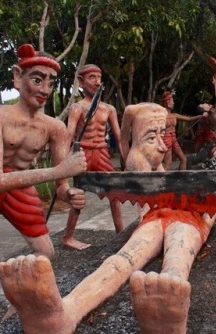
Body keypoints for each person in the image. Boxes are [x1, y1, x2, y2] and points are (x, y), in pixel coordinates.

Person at [0, 102, 216, 334]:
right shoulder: (143, 162)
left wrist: (205, 208)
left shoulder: (163, 166)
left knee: (176, 259)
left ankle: (168, 303)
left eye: (161, 137)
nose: (162, 146)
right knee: (123, 258)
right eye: (153, 138)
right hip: (154, 218)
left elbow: (212, 212)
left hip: (190, 220)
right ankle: (63, 314)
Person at [0, 44, 87, 334]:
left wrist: (70, 193)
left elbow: (61, 186)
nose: (45, 89)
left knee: (45, 251)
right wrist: (58, 172)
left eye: (51, 83)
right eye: (37, 80)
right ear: (17, 77)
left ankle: (21, 303)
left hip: (19, 185)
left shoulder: (54, 128)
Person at [62, 64, 124, 250]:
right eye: (91, 77)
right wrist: (64, 164)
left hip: (102, 152)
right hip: (84, 153)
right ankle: (68, 236)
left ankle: (120, 234)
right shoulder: (77, 108)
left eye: (99, 77)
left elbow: (119, 138)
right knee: (79, 194)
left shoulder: (108, 109)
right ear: (81, 81)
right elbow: (68, 136)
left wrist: (127, 159)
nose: (97, 81)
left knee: (114, 193)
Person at [161, 91, 207, 170]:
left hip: (174, 139)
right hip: (166, 140)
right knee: (168, 163)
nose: (174, 103)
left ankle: (182, 179)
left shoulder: (174, 115)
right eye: (172, 101)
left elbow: (189, 119)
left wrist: (201, 116)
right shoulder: (161, 115)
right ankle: (162, 181)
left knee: (183, 159)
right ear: (167, 102)